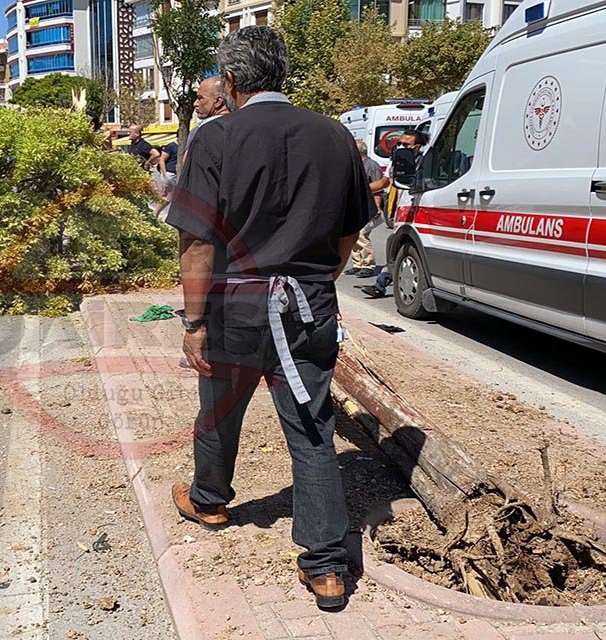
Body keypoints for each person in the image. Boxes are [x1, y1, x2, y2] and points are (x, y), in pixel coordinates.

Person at [166, 26, 373, 612]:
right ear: (282, 74)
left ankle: (209, 499)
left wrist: (193, 320)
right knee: (311, 427)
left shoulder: (214, 138)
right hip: (307, 306)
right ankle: (327, 566)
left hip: (235, 305)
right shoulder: (336, 135)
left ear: (230, 81)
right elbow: (348, 234)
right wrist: (317, 282)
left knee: (219, 409)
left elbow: (198, 243)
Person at [366, 129, 428, 299]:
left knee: (398, 248)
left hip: (417, 211)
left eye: (406, 144)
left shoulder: (424, 162)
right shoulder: (397, 161)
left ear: (417, 147)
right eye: (399, 143)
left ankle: (380, 284)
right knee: (396, 247)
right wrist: (360, 187)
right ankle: (380, 284)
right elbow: (385, 182)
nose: (401, 146)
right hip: (401, 212)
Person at [344, 140, 390, 279]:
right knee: (353, 233)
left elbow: (379, 190)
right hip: (357, 206)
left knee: (362, 234)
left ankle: (368, 265)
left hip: (370, 207)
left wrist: (376, 208)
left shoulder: (372, 166)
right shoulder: (355, 165)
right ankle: (358, 263)